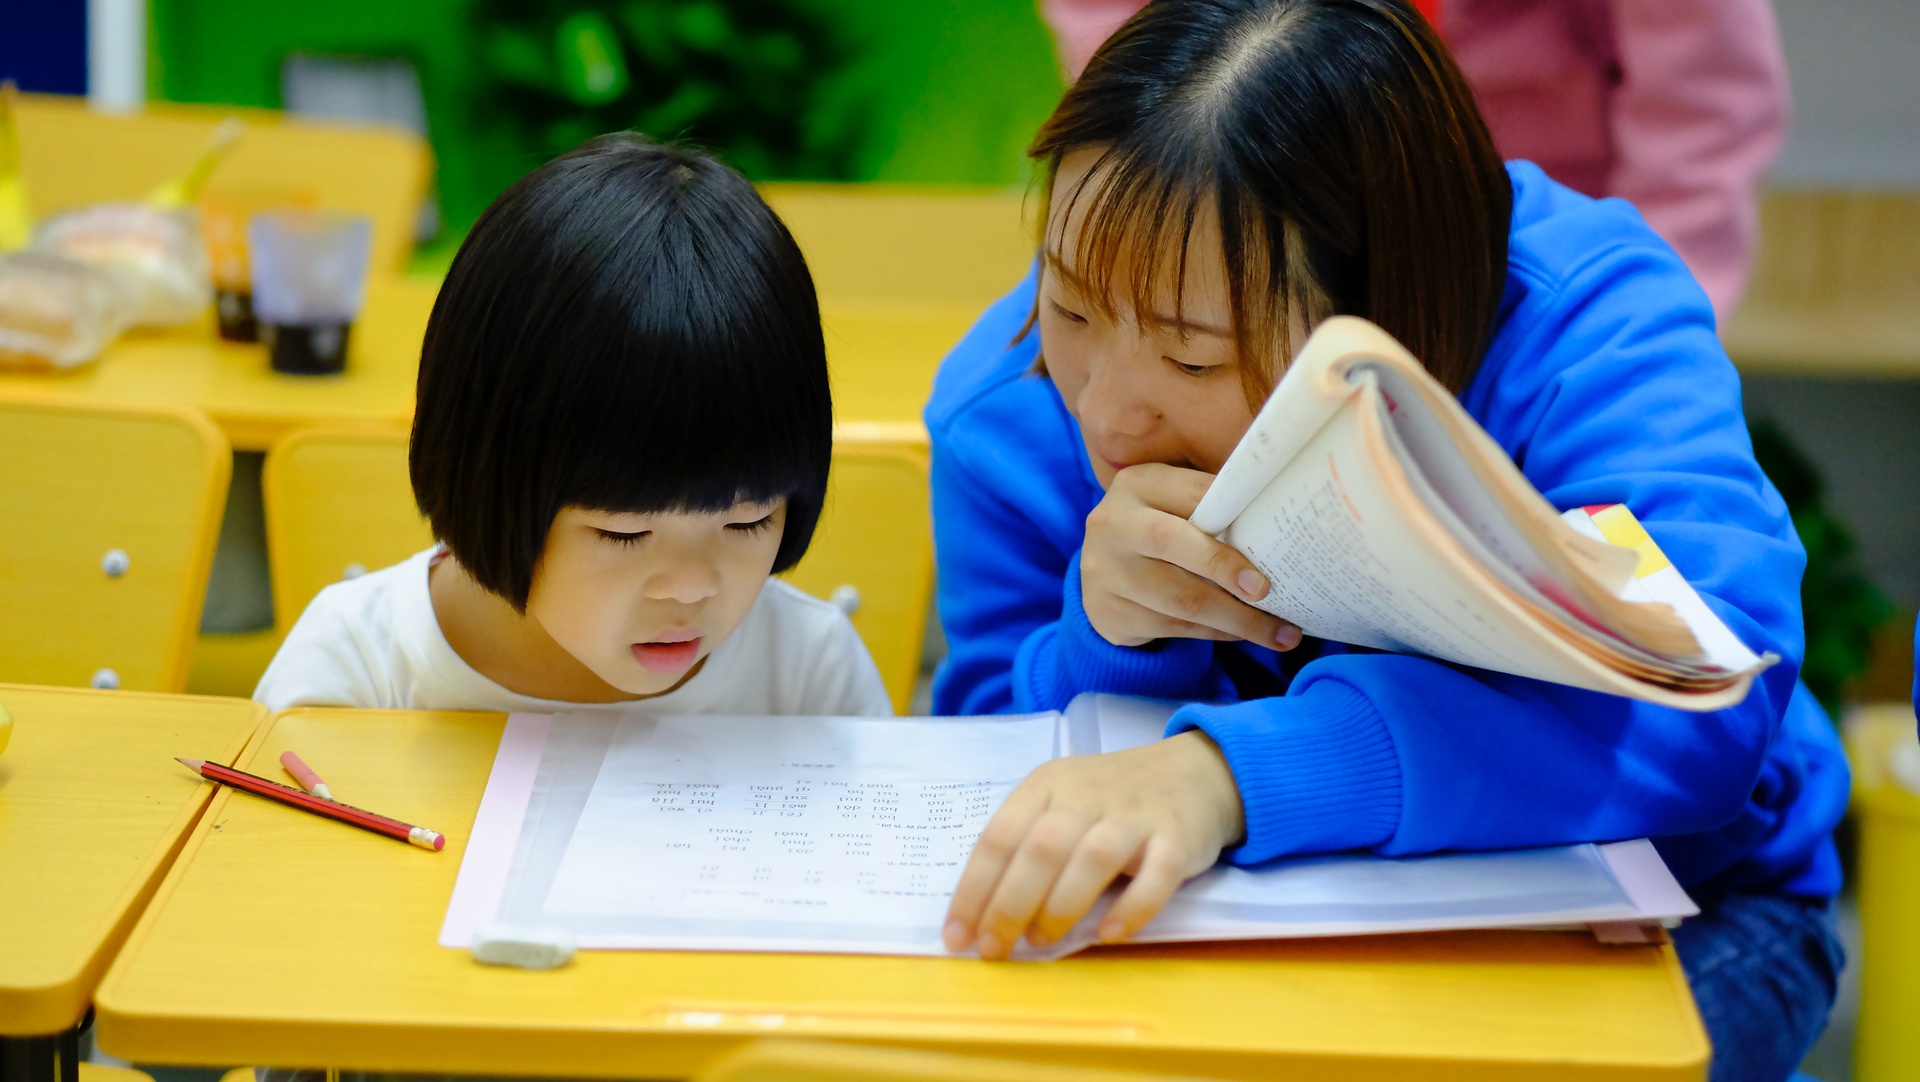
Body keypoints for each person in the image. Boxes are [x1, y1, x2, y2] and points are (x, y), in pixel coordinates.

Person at [927, 3, 1845, 1080]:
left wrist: (1226, 776)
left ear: (1391, 315)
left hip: (1683, 918)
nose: (1112, 412)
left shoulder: (1585, 320)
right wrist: (1109, 640)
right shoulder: (1005, 402)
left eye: (1193, 359)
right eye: (1073, 308)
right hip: (1222, 943)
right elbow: (984, 766)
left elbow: (1703, 703)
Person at [255, 133, 890, 720]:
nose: (691, 587)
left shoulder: (810, 673)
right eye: (625, 532)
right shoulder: (357, 671)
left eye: (749, 522)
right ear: (487, 477)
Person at [1039, 0, 1790, 321]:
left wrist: (1642, 320)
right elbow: (1131, 52)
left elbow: (1702, 107)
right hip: (1246, 247)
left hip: (1543, 269)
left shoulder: (1580, 311)